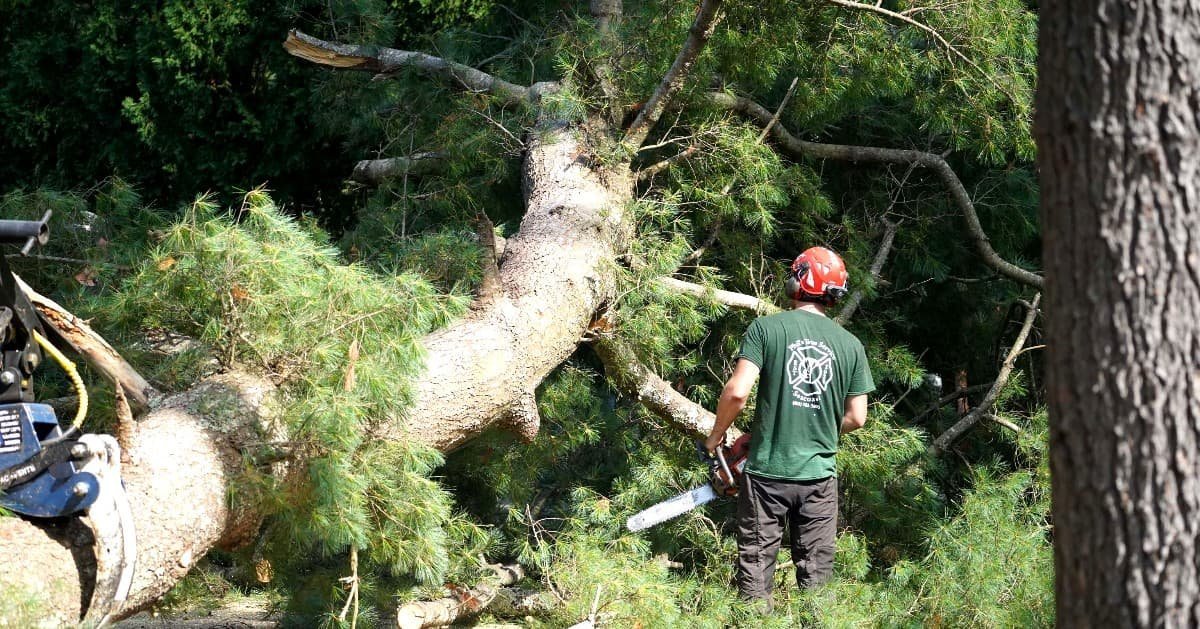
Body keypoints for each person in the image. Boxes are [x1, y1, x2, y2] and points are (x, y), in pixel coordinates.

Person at [704, 246, 874, 608]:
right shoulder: (851, 345)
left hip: (767, 475)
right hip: (819, 480)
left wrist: (717, 436)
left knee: (755, 577)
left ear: (802, 280)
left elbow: (737, 392)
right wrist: (816, 426)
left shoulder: (767, 329)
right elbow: (858, 417)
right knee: (816, 583)